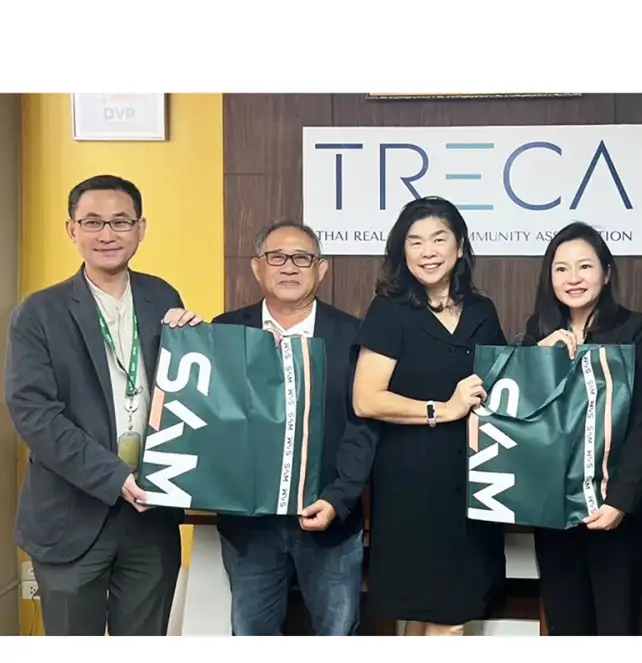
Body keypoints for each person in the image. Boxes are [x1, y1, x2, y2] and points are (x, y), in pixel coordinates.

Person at [4, 174, 202, 636]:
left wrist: (196, 342)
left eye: (120, 221)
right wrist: (113, 477)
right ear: (71, 229)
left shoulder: (163, 297)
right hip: (70, 516)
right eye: (92, 222)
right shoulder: (39, 312)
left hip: (150, 516)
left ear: (141, 228)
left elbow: (184, 395)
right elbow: (34, 412)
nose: (107, 234)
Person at [212, 219, 378, 636]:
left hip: (329, 520)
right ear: (257, 267)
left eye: (302, 258)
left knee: (337, 634)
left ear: (321, 269)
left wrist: (339, 499)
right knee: (252, 636)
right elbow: (211, 421)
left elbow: (363, 427)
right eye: (277, 257)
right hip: (249, 527)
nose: (289, 267)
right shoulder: (224, 330)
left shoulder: (353, 335)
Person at [352, 196, 507, 636]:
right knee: (444, 620)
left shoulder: (482, 310)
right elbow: (366, 399)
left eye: (439, 239)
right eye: (415, 241)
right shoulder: (389, 311)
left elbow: (502, 381)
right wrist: (444, 409)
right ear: (402, 251)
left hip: (474, 484)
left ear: (459, 247)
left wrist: (543, 353)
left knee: (431, 618)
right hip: (412, 487)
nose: (427, 252)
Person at [517, 222, 642, 635]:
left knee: (616, 626)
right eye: (561, 269)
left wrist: (620, 501)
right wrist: (535, 358)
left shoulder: (635, 329)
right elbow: (521, 416)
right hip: (555, 509)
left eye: (585, 266)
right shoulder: (537, 330)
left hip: (614, 508)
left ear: (607, 272)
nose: (573, 278)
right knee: (566, 625)